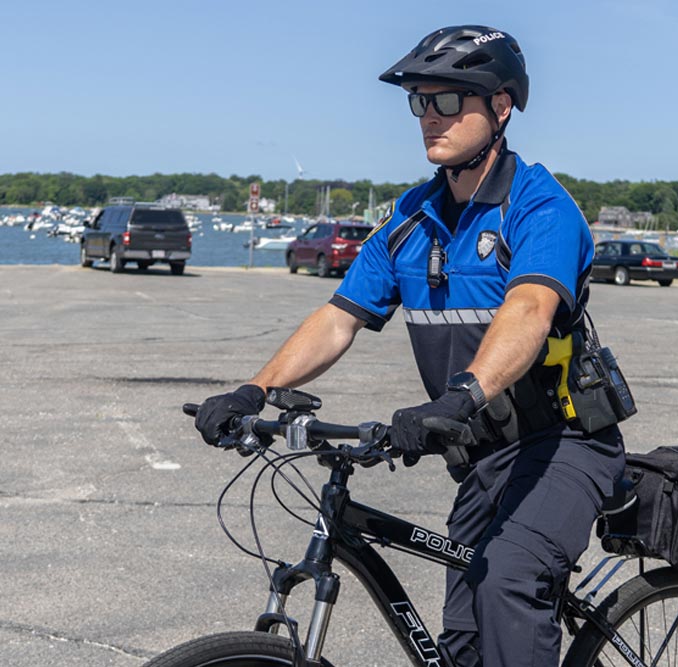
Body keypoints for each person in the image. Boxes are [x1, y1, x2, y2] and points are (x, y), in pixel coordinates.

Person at [194, 25, 625, 667]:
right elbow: (339, 317)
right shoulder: (411, 219)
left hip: (563, 445)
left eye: (448, 100)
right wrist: (254, 388)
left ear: (500, 106)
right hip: (483, 456)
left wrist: (463, 395)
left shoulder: (539, 207)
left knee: (508, 581)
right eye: (419, 102)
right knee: (464, 643)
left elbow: (530, 312)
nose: (429, 117)